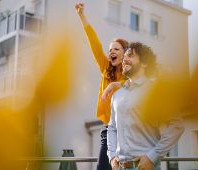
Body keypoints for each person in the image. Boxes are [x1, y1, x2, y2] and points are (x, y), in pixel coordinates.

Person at [107, 42, 184, 170]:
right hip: (119, 167)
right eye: (124, 57)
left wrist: (152, 156)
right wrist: (112, 156)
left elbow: (177, 125)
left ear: (144, 63)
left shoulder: (156, 91)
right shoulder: (117, 95)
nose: (124, 59)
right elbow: (111, 128)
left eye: (130, 56)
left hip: (145, 167)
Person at [75, 3, 128, 170]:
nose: (111, 51)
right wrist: (81, 15)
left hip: (128, 130)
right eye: (110, 49)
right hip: (109, 129)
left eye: (116, 49)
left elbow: (138, 86)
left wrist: (115, 85)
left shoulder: (131, 74)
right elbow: (93, 41)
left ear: (125, 52)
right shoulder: (106, 68)